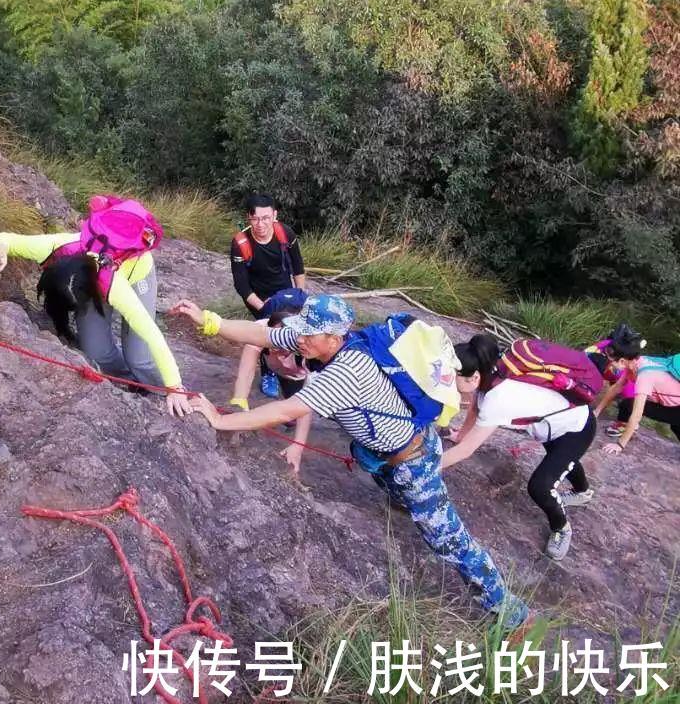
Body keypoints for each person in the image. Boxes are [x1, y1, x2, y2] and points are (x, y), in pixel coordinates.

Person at [170, 294, 531, 634]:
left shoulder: (345, 374)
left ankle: (511, 611)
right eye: (303, 331)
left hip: (414, 462)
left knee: (449, 540)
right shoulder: (323, 338)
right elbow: (263, 333)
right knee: (386, 475)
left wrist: (219, 421)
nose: (301, 339)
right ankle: (400, 500)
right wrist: (208, 320)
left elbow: (286, 409)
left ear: (332, 337)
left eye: (309, 335)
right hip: (396, 453)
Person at [0, 229, 189, 417]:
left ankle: (160, 389)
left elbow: (151, 333)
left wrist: (174, 386)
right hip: (92, 286)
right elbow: (8, 239)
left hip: (136, 275)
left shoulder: (115, 286)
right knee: (96, 351)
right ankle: (133, 381)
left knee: (139, 356)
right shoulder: (54, 247)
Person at [442, 336, 596, 563]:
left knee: (540, 486)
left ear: (474, 377)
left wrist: (425, 467)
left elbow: (467, 451)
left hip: (575, 428)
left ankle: (562, 527)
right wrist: (461, 434)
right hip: (553, 425)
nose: (449, 382)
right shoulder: (492, 373)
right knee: (562, 459)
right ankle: (582, 493)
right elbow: (476, 405)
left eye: (453, 378)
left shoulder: (498, 398)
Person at [227, 290, 314, 473]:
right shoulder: (260, 331)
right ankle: (270, 374)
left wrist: (298, 445)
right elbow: (246, 371)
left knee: (293, 413)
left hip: (295, 373)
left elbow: (307, 404)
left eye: (284, 345)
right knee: (270, 363)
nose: (278, 348)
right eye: (273, 341)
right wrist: (239, 403)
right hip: (274, 365)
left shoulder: (310, 351)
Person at [231, 195, 307, 397]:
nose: (260, 224)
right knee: (266, 334)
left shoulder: (285, 234)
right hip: (257, 297)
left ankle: (296, 370)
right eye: (255, 218)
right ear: (249, 217)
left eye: (266, 218)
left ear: (274, 215)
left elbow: (298, 268)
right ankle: (268, 373)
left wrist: (302, 296)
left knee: (293, 330)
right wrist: (262, 307)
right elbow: (241, 285)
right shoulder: (241, 243)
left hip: (285, 292)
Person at [596, 351, 680, 453]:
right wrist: (596, 412)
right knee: (626, 404)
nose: (610, 365)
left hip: (677, 407)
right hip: (672, 402)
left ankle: (628, 431)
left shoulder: (645, 375)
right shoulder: (636, 362)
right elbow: (616, 388)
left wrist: (619, 445)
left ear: (622, 361)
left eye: (612, 362)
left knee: (675, 424)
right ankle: (624, 426)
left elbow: (637, 414)